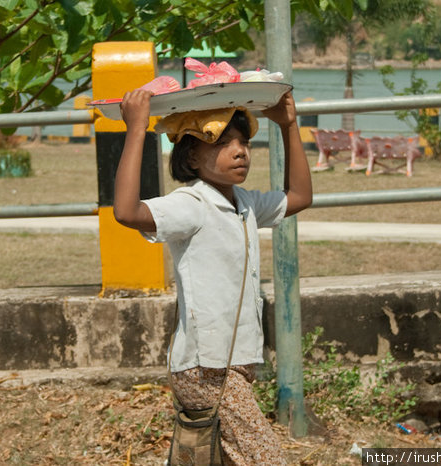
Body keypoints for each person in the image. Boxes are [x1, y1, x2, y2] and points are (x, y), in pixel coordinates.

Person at [113, 88, 313, 465]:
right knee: (267, 458)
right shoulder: (192, 205)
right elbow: (125, 211)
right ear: (191, 156)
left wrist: (289, 126)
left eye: (244, 141)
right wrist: (137, 129)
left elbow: (299, 196)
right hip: (207, 370)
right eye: (221, 142)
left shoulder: (245, 203)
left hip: (235, 365)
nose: (240, 151)